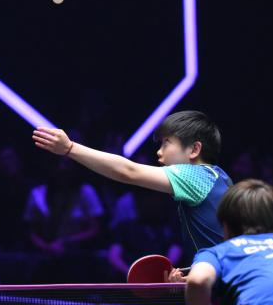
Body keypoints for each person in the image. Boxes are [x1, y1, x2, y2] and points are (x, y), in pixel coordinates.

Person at [33, 111, 231, 279]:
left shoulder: (196, 175)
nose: (159, 153)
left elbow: (129, 172)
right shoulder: (221, 178)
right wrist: (189, 278)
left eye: (166, 143)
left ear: (194, 149)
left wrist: (70, 148)